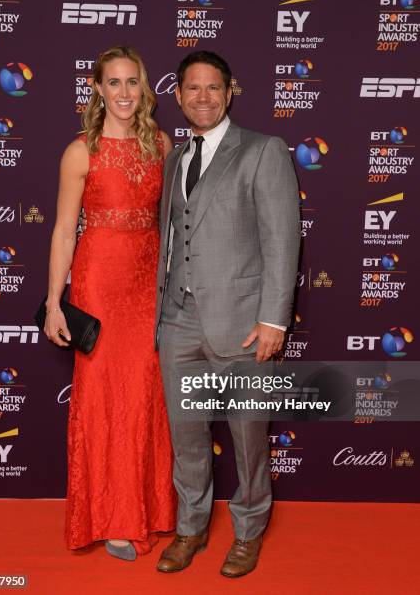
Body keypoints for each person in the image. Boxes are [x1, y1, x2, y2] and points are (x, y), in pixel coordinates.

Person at [154, 51, 300, 577]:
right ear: (178, 95)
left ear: (230, 91)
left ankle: (248, 530)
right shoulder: (175, 158)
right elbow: (173, 238)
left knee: (247, 434)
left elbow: (282, 241)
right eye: (192, 88)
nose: (202, 97)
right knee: (186, 434)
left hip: (241, 323)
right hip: (178, 319)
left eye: (213, 88)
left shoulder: (263, 150)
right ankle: (190, 528)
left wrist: (274, 321)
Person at [44, 45, 176, 560]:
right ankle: (114, 518)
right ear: (97, 89)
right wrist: (55, 303)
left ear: (145, 88)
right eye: (114, 83)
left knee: (146, 393)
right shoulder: (81, 151)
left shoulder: (161, 145)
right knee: (105, 397)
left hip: (149, 282)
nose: (124, 92)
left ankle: (153, 509)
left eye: (132, 82)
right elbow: (62, 231)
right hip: (99, 280)